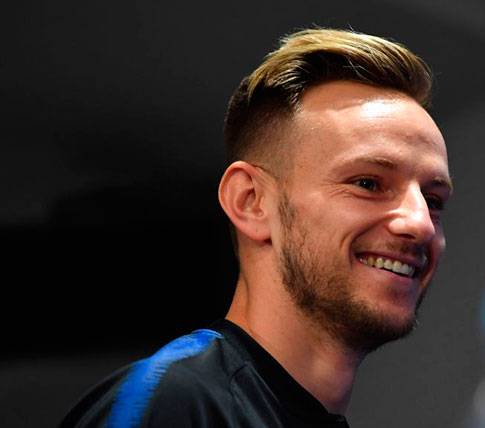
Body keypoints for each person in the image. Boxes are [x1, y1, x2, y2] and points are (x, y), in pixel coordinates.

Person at [61, 27, 452, 427]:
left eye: (434, 201)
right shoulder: (176, 403)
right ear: (250, 202)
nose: (420, 223)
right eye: (367, 183)